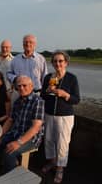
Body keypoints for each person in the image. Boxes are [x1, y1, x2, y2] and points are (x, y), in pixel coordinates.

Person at [41, 51, 80, 183]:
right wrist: (47, 91)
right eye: (55, 61)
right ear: (52, 63)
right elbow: (43, 96)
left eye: (60, 61)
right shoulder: (48, 77)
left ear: (66, 63)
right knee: (49, 140)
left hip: (65, 116)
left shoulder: (71, 78)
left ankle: (60, 168)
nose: (58, 63)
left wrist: (65, 95)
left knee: (62, 143)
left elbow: (76, 99)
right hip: (49, 114)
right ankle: (52, 162)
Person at [0, 75, 44, 173]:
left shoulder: (37, 101)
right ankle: (12, 166)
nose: (21, 88)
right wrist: (0, 135)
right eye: (19, 86)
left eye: (24, 85)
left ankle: (11, 178)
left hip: (31, 138)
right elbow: (10, 120)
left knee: (9, 153)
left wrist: (18, 142)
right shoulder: (18, 102)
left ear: (32, 86)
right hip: (16, 133)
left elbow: (35, 128)